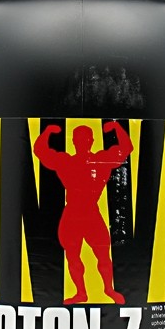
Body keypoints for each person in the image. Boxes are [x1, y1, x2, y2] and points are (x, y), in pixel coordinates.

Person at [34, 121, 134, 304]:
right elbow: (41, 151)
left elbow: (126, 148)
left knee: (102, 255)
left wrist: (117, 128)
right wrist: (47, 131)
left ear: (91, 141)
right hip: (73, 213)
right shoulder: (68, 161)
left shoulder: (100, 160)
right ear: (73, 141)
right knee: (73, 255)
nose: (81, 142)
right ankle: (81, 293)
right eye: (78, 139)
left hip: (90, 213)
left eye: (85, 139)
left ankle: (108, 289)